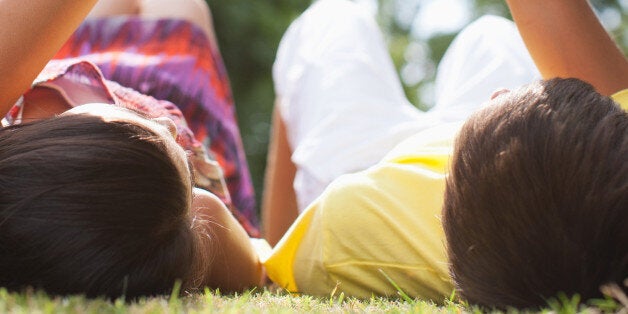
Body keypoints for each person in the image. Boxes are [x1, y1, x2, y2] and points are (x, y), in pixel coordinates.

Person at [261, 0, 627, 309]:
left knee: (327, 21)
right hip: (523, 157)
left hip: (369, 168)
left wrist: (270, 261)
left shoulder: (343, 223)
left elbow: (262, 266)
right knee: (490, 35)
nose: (499, 92)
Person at [0, 0, 263, 298]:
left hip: (79, 61)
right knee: (186, 7)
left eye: (140, 132)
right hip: (178, 84)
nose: (169, 124)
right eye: (186, 170)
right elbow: (257, 268)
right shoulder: (180, 218)